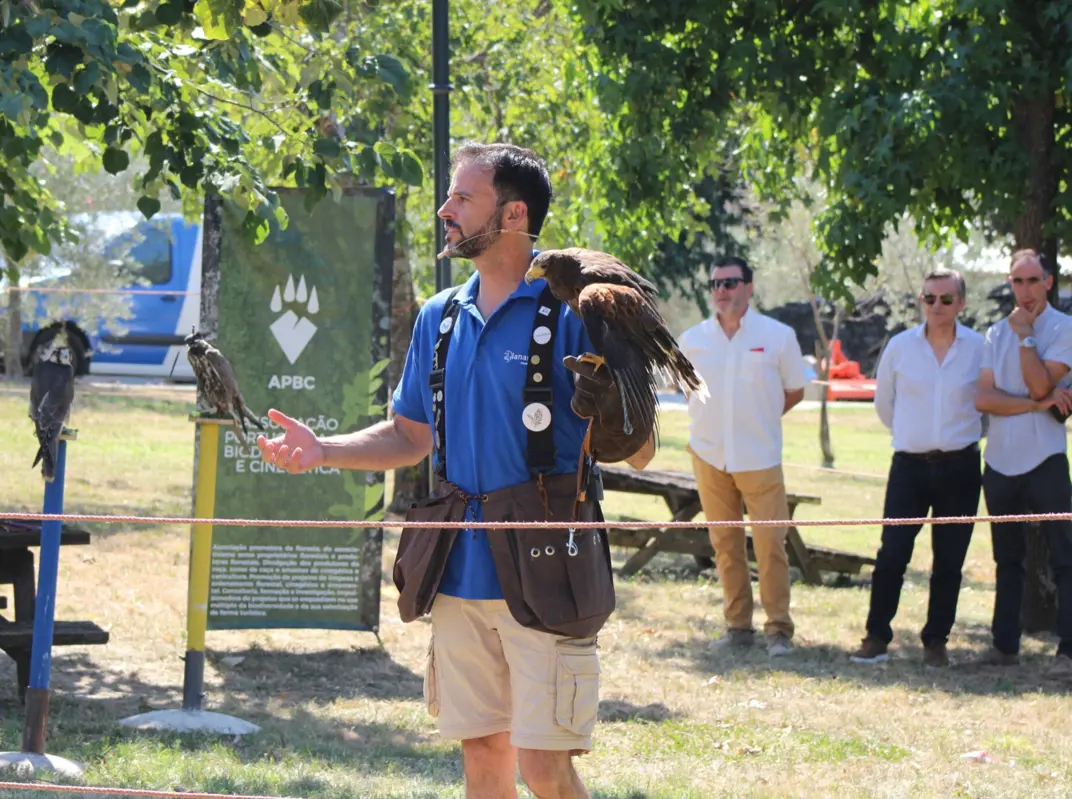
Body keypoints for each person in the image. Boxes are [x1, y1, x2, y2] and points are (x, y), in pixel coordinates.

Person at [257, 142, 655, 799]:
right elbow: (410, 434)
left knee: (544, 766)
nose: (445, 210)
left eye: (462, 198)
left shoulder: (579, 312)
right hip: (457, 568)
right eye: (449, 196)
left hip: (547, 564)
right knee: (483, 757)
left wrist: (614, 416)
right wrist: (324, 449)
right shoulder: (439, 318)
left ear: (515, 212)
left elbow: (639, 450)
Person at [849, 267, 986, 667]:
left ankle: (935, 642)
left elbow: (987, 410)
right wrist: (915, 437)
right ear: (920, 301)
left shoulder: (979, 348)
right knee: (892, 553)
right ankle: (876, 636)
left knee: (949, 560)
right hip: (909, 466)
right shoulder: (900, 346)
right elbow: (885, 404)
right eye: (929, 298)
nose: (937, 306)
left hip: (961, 466)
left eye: (946, 299)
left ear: (961, 303)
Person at [677, 256, 807, 656]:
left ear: (749, 287)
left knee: (770, 546)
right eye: (715, 284)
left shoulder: (779, 335)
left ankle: (778, 631)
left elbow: (794, 390)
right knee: (725, 545)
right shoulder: (692, 339)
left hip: (760, 456)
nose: (721, 290)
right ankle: (738, 628)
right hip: (709, 455)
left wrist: (759, 419)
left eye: (730, 283)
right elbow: (684, 390)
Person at [974, 249, 1072, 675]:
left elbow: (1037, 384)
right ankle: (1004, 647)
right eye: (1018, 281)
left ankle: (1068, 650)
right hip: (998, 462)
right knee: (1006, 558)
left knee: (1064, 556)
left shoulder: (1063, 328)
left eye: (1033, 280)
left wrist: (1026, 336)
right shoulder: (994, 334)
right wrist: (1035, 405)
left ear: (1048, 282)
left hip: (1046, 458)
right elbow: (983, 398)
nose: (1026, 290)